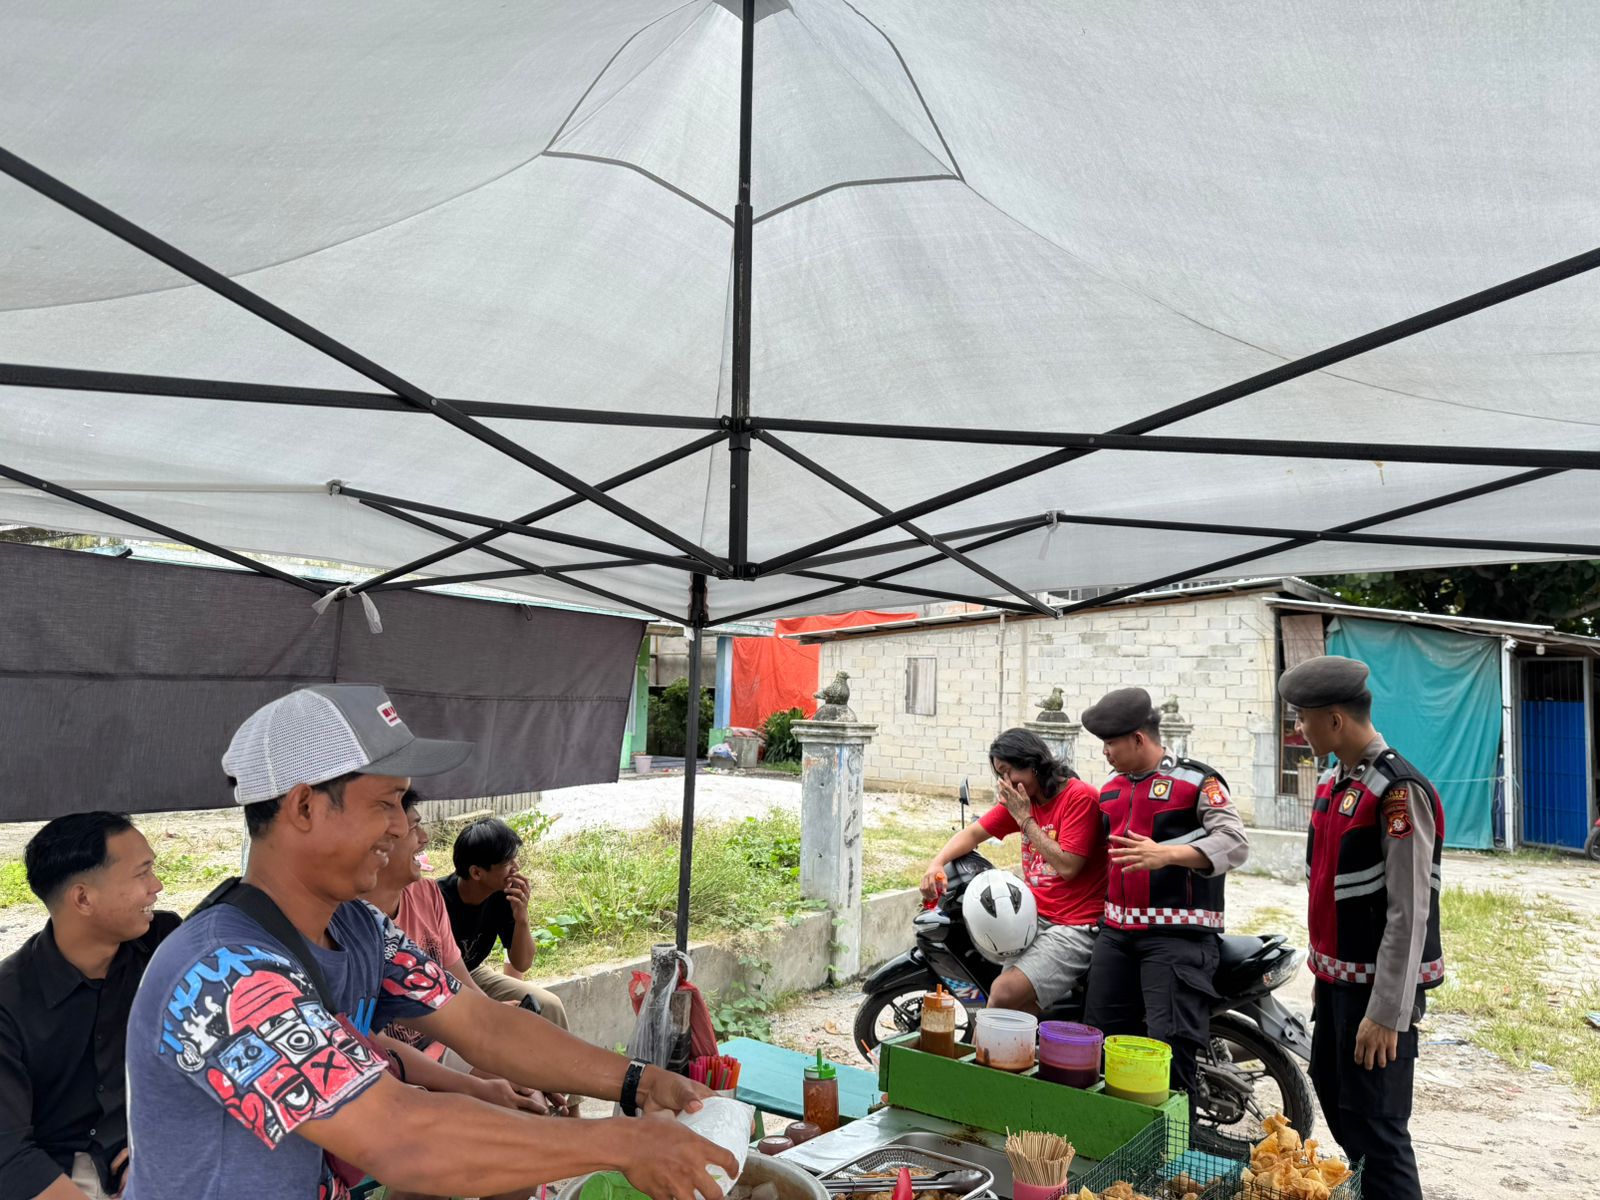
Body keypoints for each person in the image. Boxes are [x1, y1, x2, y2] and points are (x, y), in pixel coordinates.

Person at [123, 683, 734, 1200]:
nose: (402, 826)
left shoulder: (357, 927)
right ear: (304, 806)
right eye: (387, 802)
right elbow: (400, 1136)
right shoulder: (220, 974)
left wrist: (642, 1082)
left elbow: (485, 1027)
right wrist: (620, 1141)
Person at [1279, 656, 1442, 1200]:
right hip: (1335, 987)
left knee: (1378, 1130)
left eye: (1304, 718)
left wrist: (1386, 1014)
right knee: (1341, 1108)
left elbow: (1408, 911)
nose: (1299, 729)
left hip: (1375, 995)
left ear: (1335, 720)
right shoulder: (1336, 781)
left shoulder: (1397, 791)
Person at [1080, 687, 1249, 1105]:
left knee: (1169, 1052)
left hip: (1177, 938)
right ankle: (1114, 1149)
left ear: (1138, 738)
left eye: (1111, 743)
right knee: (1101, 1042)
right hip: (1117, 935)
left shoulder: (1197, 782)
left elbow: (1235, 842)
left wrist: (1166, 854)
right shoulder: (1111, 792)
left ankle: (1175, 1158)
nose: (1106, 752)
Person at [0, 812, 176, 1200]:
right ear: (83, 898)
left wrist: (162, 1147)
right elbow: (8, 1154)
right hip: (62, 1177)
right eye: (141, 873)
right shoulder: (9, 1001)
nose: (157, 886)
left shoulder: (165, 945)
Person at [919, 729, 1106, 1013]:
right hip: (1033, 918)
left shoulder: (1079, 798)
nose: (1006, 783)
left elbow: (1068, 866)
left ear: (1032, 763)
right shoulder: (1023, 800)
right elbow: (972, 834)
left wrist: (1024, 818)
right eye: (1000, 775)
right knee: (1009, 1004)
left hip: (1075, 926)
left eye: (1008, 772)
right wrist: (936, 863)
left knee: (1003, 994)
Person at [438, 817, 567, 1027]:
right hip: (443, 982)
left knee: (549, 1005)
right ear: (476, 872)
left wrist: (522, 917)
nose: (516, 867)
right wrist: (490, 1007)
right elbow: (443, 973)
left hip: (474, 973)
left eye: (515, 859)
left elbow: (522, 963)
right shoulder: (438, 900)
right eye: (507, 863)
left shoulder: (502, 894)